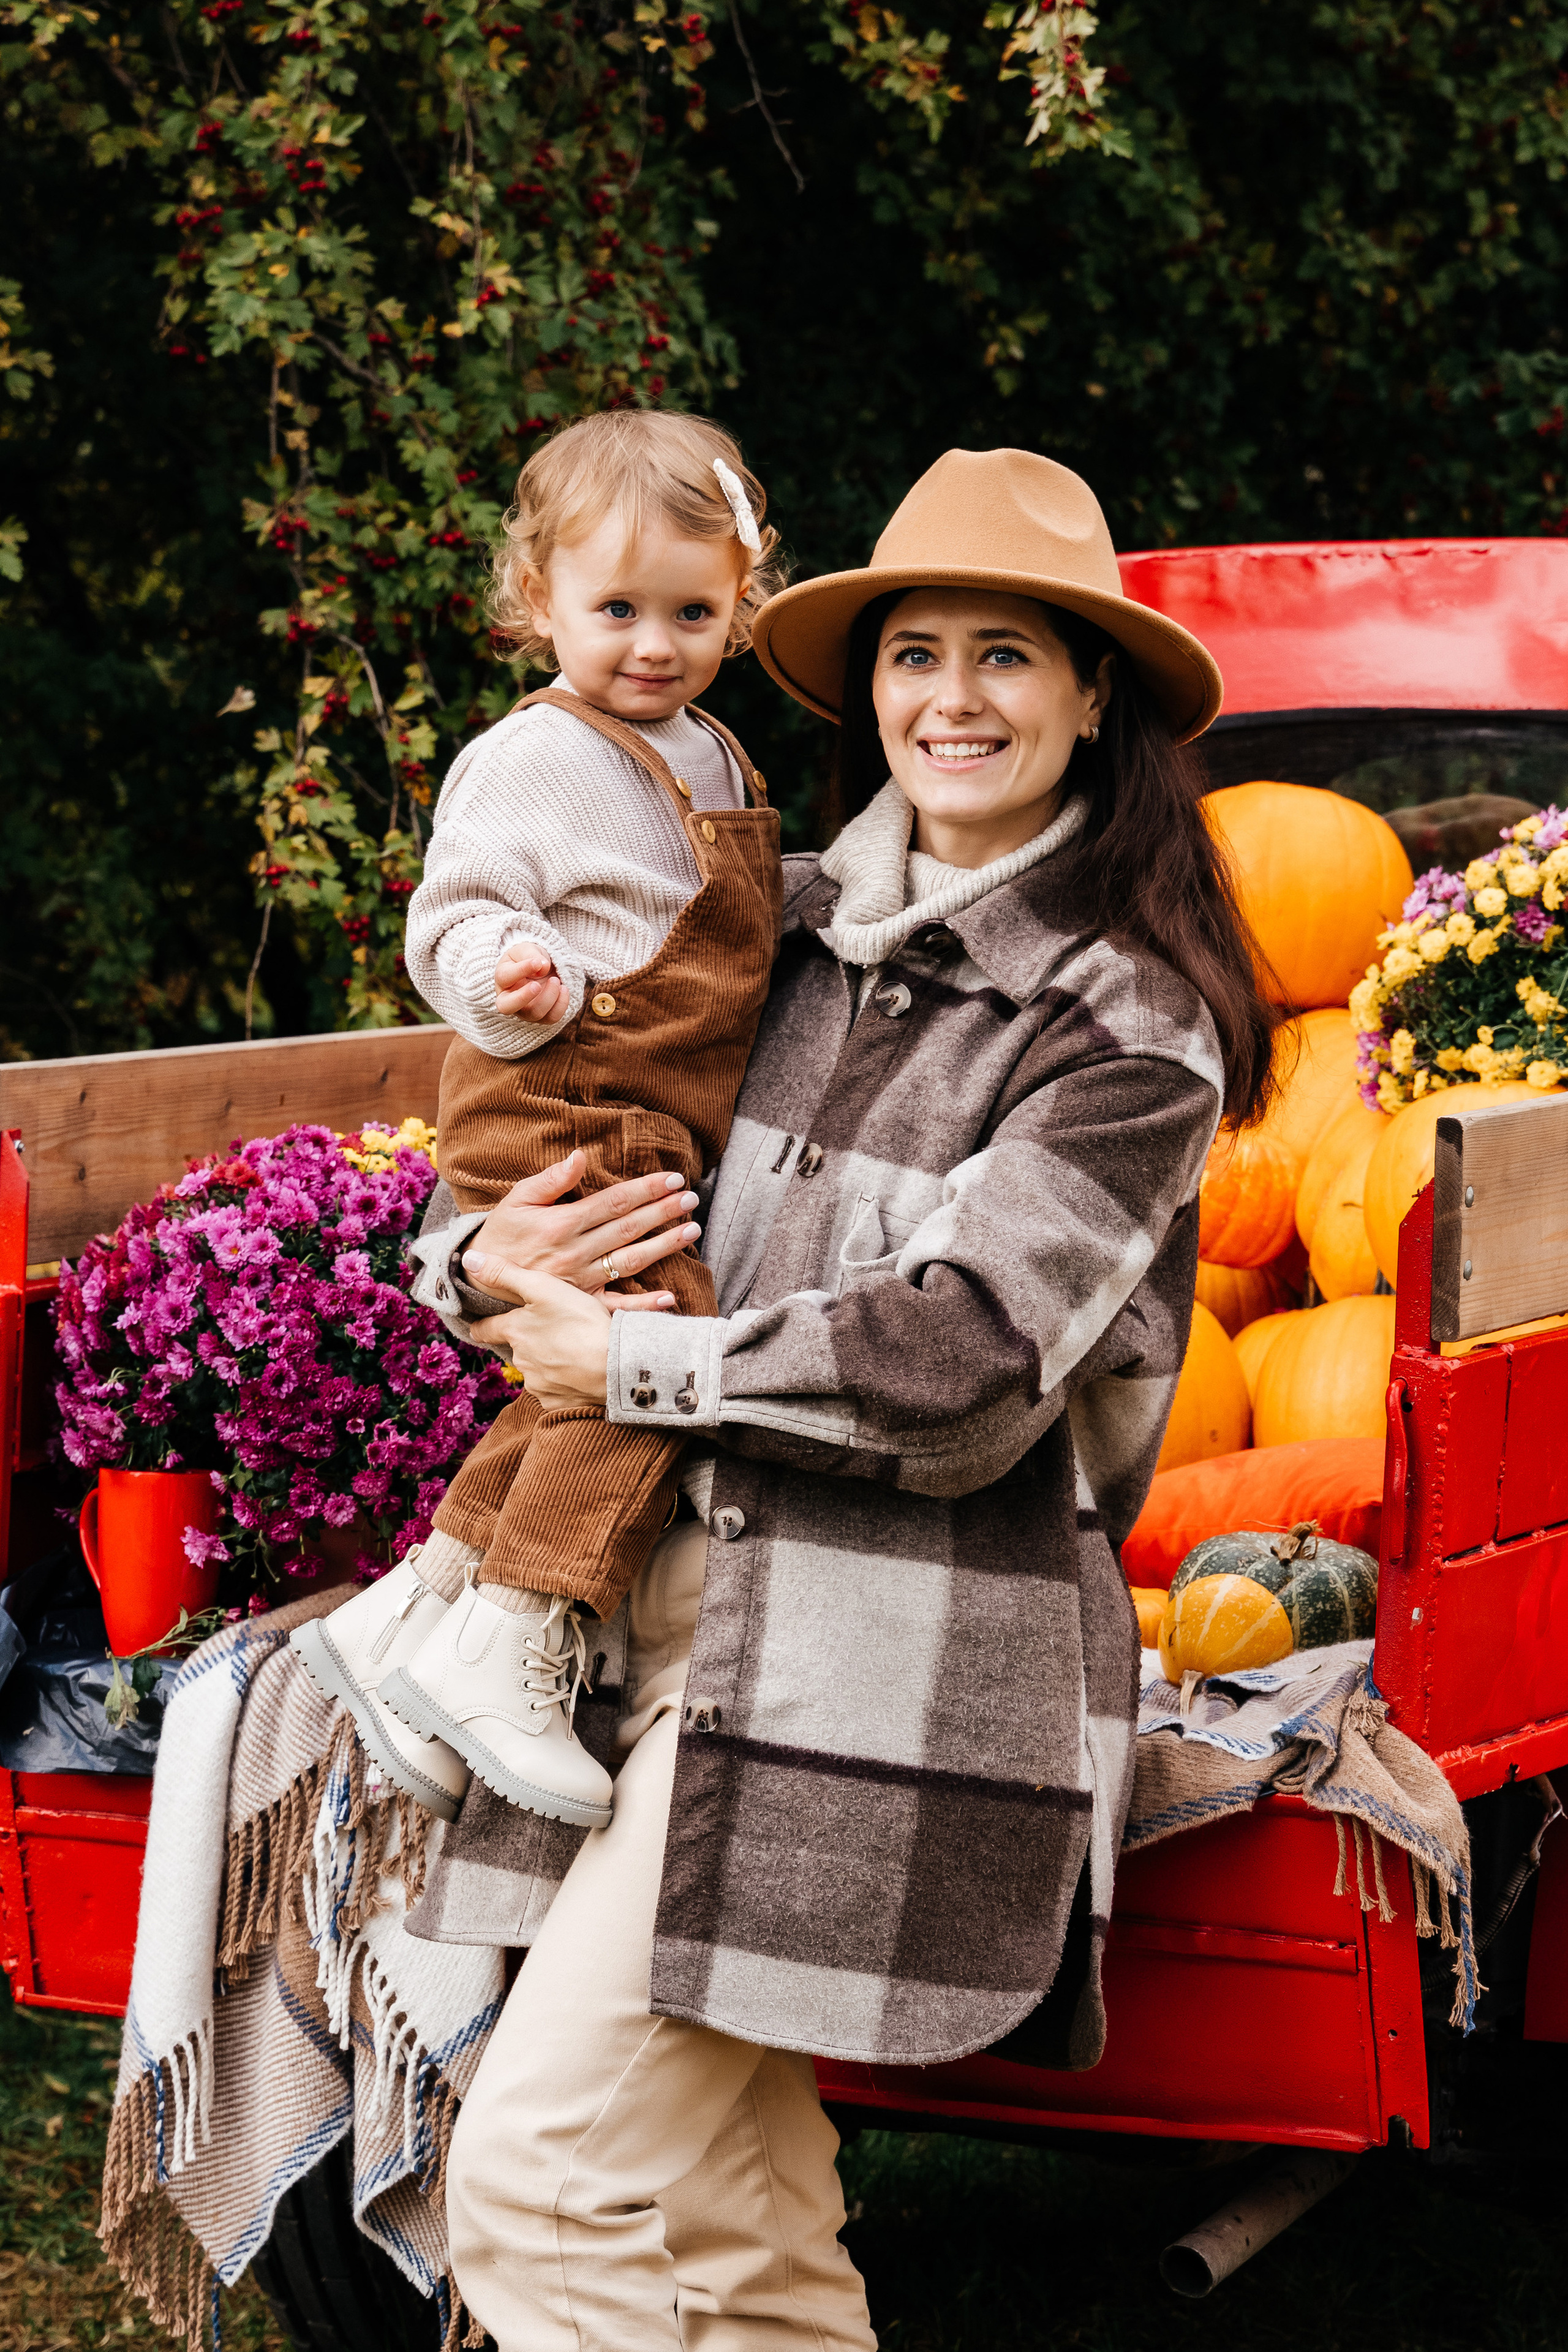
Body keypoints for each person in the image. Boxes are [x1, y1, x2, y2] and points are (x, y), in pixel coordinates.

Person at [409, 445, 1276, 2350]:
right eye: (915, 656)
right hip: (654, 1630)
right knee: (735, 2220)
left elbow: (965, 1361)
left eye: (1007, 660)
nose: (949, 702)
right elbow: (546, 1141)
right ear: (865, 683)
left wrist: (630, 1356)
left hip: (888, 1671)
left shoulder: (1124, 1025)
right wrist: (471, 1263)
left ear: (1091, 696)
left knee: (542, 2177)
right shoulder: (771, 932)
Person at [292, 410, 786, 1833]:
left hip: (642, 1115)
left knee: (568, 1381)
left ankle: (416, 1616)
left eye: (691, 611)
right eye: (615, 608)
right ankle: (519, 1629)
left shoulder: (712, 757)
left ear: (736, 608)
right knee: (645, 1352)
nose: (653, 642)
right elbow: (452, 913)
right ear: (538, 603)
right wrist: (505, 976)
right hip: (564, 1098)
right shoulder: (532, 758)